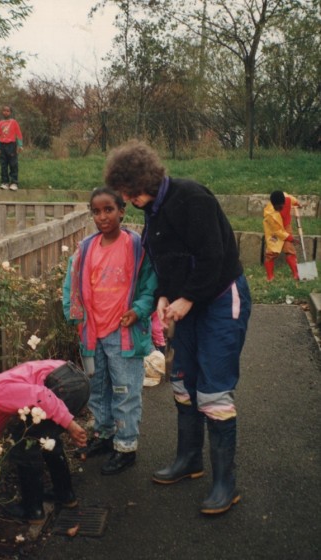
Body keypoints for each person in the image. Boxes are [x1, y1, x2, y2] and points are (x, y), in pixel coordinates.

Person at [104, 139, 252, 515]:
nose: (125, 198)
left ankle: (225, 483)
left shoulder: (191, 197)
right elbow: (166, 260)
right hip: (186, 303)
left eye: (127, 191)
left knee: (214, 391)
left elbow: (213, 255)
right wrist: (165, 296)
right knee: (183, 383)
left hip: (220, 297)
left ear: (142, 182)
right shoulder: (152, 208)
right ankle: (190, 460)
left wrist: (187, 297)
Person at [63, 187, 157, 475]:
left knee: (125, 391)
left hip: (123, 334)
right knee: (97, 388)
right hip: (92, 335)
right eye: (96, 211)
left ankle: (126, 446)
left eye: (109, 210)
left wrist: (138, 310)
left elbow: (150, 286)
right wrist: (74, 315)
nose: (102, 217)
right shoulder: (86, 249)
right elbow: (72, 285)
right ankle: (104, 436)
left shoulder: (137, 246)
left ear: (122, 211)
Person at [0, 359, 89, 524]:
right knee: (45, 437)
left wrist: (71, 425)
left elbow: (42, 395)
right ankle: (64, 494)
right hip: (73, 380)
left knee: (23, 446)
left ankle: (32, 510)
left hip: (66, 386)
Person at [263, 190, 301, 281]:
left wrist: (298, 204)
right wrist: (290, 238)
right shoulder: (269, 214)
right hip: (274, 231)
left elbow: (293, 199)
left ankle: (296, 274)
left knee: (289, 250)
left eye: (279, 207)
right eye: (275, 206)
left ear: (284, 202)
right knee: (272, 252)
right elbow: (278, 231)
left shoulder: (287, 199)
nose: (277, 209)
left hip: (286, 225)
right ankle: (270, 277)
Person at [0, 105, 23, 191]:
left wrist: (20, 145)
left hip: (11, 145)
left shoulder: (13, 122)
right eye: (4, 111)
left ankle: (14, 182)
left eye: (7, 111)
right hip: (2, 146)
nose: (5, 112)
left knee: (13, 164)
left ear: (10, 112)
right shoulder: (0, 123)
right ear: (2, 112)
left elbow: (18, 134)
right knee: (3, 164)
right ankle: (4, 182)